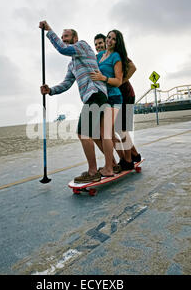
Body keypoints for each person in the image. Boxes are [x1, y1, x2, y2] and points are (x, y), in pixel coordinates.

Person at [38, 20, 114, 183]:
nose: (63, 38)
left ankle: (93, 172)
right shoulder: (72, 64)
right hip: (94, 96)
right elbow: (66, 84)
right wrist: (50, 90)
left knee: (82, 133)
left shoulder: (83, 46)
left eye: (66, 36)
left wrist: (49, 31)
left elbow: (62, 48)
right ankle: (111, 165)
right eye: (62, 36)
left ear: (75, 37)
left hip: (96, 93)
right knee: (97, 134)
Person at [92, 31, 141, 171]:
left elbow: (133, 68)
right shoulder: (101, 57)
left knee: (121, 128)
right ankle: (132, 156)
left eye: (101, 43)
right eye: (96, 44)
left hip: (126, 94)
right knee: (117, 129)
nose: (99, 46)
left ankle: (131, 158)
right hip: (111, 95)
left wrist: (121, 81)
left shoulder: (117, 55)